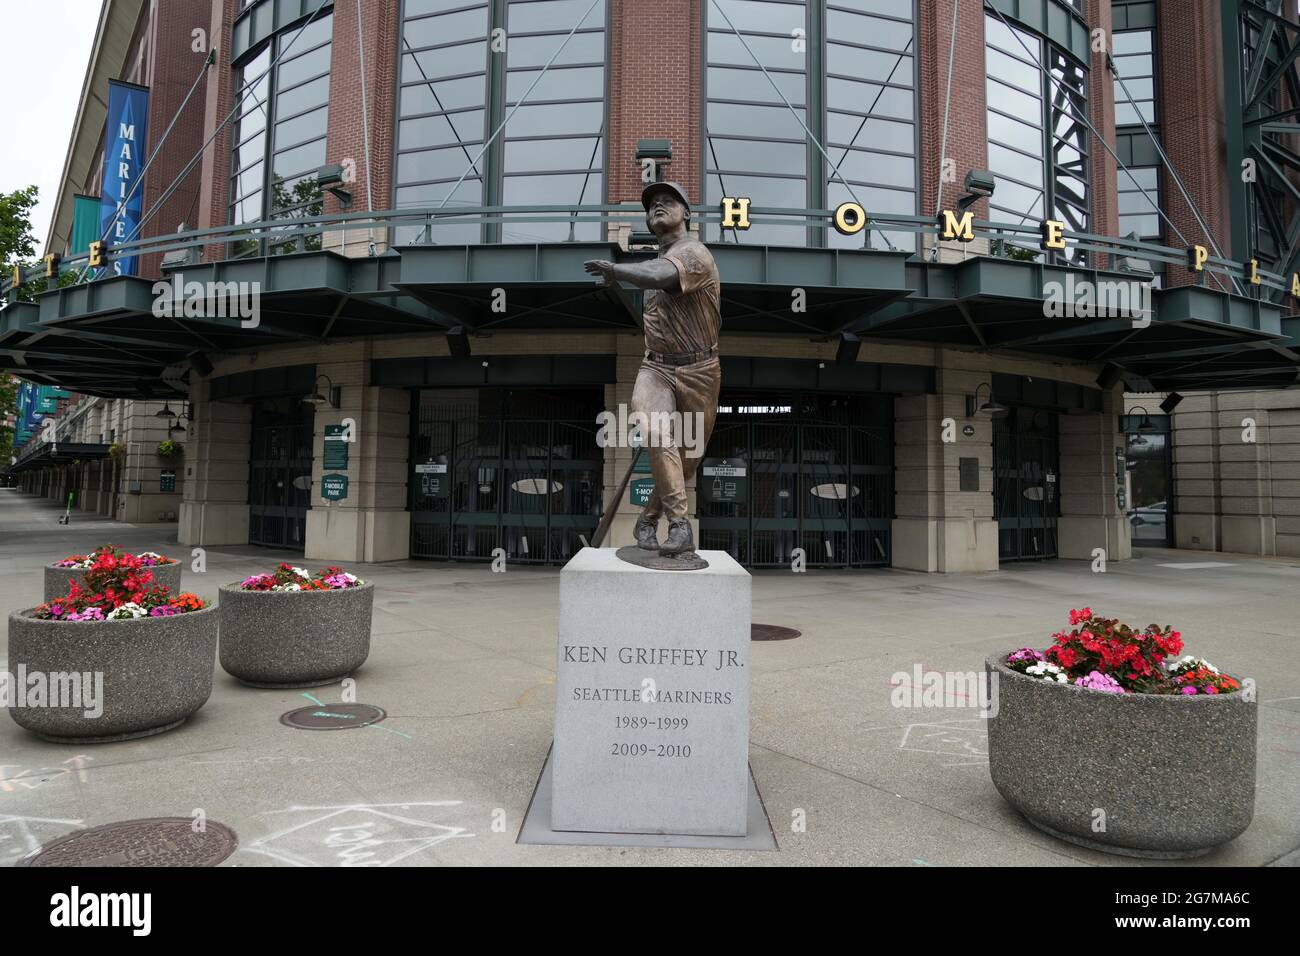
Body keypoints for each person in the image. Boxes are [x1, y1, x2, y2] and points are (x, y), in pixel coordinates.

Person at [583, 181, 721, 556]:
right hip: (655, 369)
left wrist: (616, 269)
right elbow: (652, 273)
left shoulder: (696, 253)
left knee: (686, 461)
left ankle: (647, 519)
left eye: (667, 201)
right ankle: (680, 526)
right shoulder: (651, 261)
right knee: (658, 435)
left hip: (700, 371)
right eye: (652, 204)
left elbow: (660, 275)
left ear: (686, 213)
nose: (657, 206)